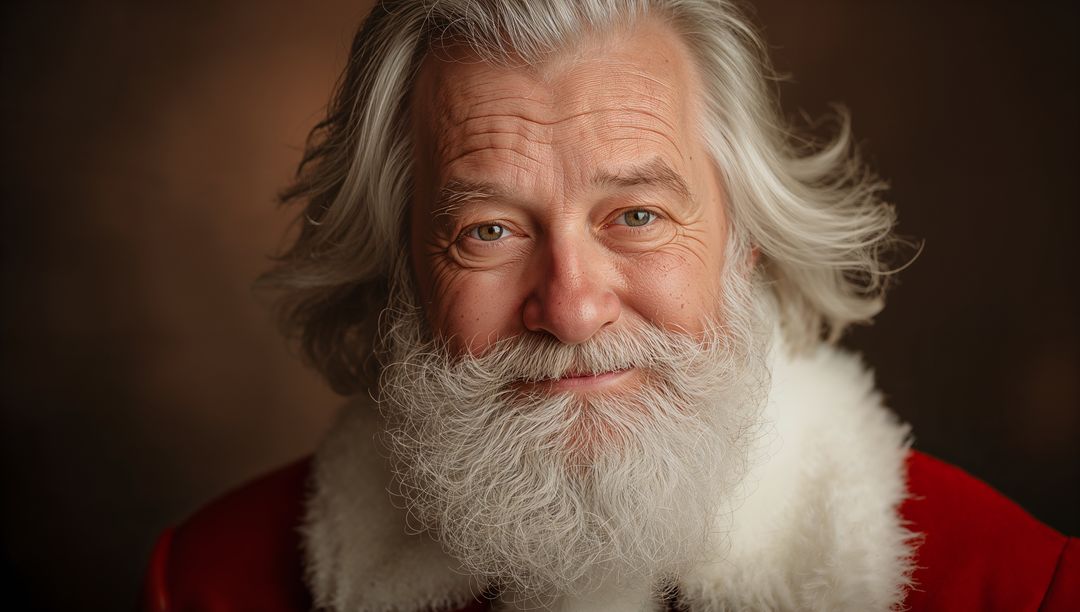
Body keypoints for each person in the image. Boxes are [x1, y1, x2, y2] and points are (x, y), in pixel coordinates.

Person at [142, 1, 1077, 610]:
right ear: (401, 276)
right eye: (490, 231)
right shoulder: (210, 586)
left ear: (742, 244)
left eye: (636, 214)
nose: (574, 308)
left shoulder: (1017, 587)